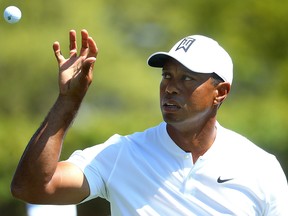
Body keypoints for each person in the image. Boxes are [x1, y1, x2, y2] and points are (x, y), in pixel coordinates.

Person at [11, 29, 288, 215]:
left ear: (221, 92)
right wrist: (68, 101)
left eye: (187, 78)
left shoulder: (260, 167)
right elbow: (31, 188)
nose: (171, 87)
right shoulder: (120, 154)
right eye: (167, 76)